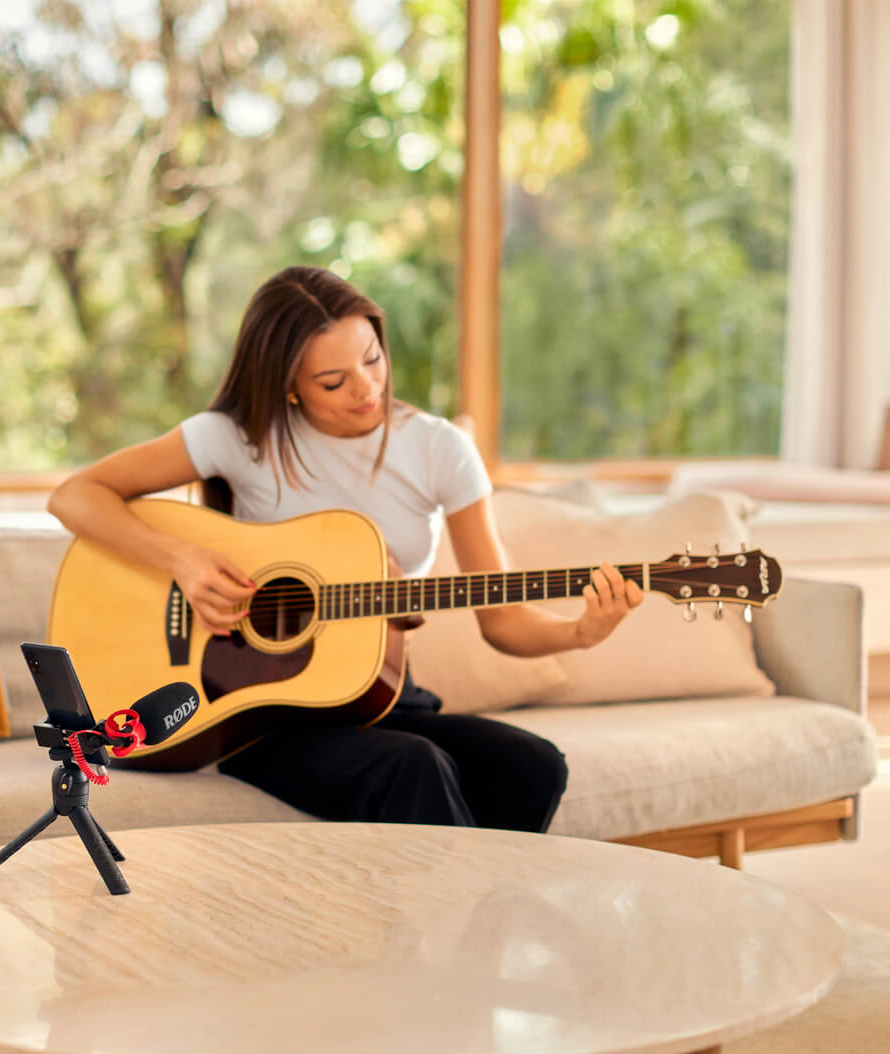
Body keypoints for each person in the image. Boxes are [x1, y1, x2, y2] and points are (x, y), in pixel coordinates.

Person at [48, 265, 643, 832]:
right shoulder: (237, 438)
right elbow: (76, 496)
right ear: (287, 386)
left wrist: (581, 632)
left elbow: (503, 620)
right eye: (333, 381)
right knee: (413, 767)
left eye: (373, 360)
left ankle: (458, 928)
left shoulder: (439, 450)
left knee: (533, 765)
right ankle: (458, 932)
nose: (367, 389)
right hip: (260, 715)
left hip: (377, 697)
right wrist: (184, 559)